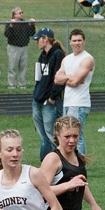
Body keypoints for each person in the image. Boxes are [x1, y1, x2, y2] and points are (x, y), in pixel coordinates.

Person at [55, 29, 95, 155]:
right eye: (74, 40)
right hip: (67, 102)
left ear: (84, 42)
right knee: (66, 134)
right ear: (70, 42)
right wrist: (70, 77)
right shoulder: (67, 59)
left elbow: (76, 81)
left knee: (77, 135)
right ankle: (71, 162)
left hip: (79, 103)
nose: (77, 43)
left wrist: (67, 78)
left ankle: (80, 164)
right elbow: (56, 79)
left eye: (79, 40)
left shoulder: (87, 59)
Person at [31, 28, 65, 162]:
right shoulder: (42, 55)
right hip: (38, 99)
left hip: (49, 101)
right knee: (43, 134)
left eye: (38, 39)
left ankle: (61, 161)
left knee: (52, 134)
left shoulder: (57, 54)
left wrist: (52, 97)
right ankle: (45, 162)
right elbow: (39, 77)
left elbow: (59, 79)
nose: (37, 43)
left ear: (45, 39)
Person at [3, 7, 35, 89]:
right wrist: (11, 26)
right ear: (15, 15)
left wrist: (32, 25)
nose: (22, 14)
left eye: (22, 12)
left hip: (23, 47)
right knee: (12, 67)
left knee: (23, 67)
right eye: (20, 13)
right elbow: (7, 35)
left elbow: (31, 33)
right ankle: (11, 85)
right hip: (13, 47)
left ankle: (22, 84)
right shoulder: (10, 23)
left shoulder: (24, 23)